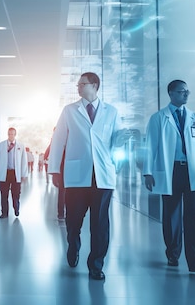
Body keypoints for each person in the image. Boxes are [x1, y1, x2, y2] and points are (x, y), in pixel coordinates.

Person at [48, 72, 124, 281]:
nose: (78, 87)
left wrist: (123, 138)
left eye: (82, 84)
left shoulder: (112, 112)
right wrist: (54, 169)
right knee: (73, 220)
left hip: (102, 175)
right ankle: (73, 246)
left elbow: (116, 140)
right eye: (78, 84)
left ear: (95, 86)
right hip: (77, 176)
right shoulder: (70, 111)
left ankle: (96, 265)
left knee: (100, 223)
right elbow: (58, 140)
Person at [143, 80, 195, 273]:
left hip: (193, 171)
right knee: (172, 215)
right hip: (171, 171)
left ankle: (194, 258)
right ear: (171, 94)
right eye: (181, 91)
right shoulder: (158, 118)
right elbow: (150, 147)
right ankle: (173, 254)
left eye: (187, 91)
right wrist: (147, 172)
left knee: (192, 216)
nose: (186, 94)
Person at [0, 127, 28, 218]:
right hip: (5, 173)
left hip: (16, 173)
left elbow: (24, 161)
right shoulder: (1, 145)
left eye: (12, 134)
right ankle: (4, 212)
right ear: (7, 134)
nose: (11, 135)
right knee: (4, 194)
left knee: (16, 193)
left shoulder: (20, 145)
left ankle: (16, 208)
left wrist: (24, 174)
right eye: (9, 134)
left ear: (15, 135)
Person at [45, 142, 65, 220]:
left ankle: (63, 212)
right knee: (62, 191)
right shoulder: (54, 143)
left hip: (67, 168)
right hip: (61, 169)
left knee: (65, 191)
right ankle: (61, 213)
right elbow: (47, 153)